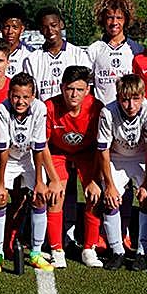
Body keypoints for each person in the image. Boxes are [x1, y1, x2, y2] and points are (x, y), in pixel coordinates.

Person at [0, 72, 56, 272]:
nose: (20, 101)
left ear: (33, 96)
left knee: (39, 198)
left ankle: (36, 252)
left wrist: (39, 181)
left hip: (29, 157)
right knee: (0, 198)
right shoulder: (2, 108)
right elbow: (2, 149)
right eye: (16, 96)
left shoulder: (40, 108)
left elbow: (39, 147)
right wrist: (0, 182)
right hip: (7, 158)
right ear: (10, 94)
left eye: (25, 97)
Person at [96, 74, 147, 271]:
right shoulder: (108, 112)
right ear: (118, 97)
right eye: (125, 99)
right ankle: (117, 251)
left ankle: (142, 251)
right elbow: (103, 151)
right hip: (117, 157)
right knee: (111, 199)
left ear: (143, 96)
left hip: (141, 157)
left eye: (135, 98)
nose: (130, 105)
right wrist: (110, 186)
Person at [44, 66, 104, 268]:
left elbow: (100, 146)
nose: (74, 94)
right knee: (56, 194)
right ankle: (56, 248)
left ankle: (89, 248)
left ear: (87, 90)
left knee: (94, 195)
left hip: (86, 153)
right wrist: (53, 179)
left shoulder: (97, 108)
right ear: (62, 87)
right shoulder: (50, 107)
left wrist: (95, 180)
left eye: (79, 89)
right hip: (58, 151)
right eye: (69, 88)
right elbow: (42, 144)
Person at [24, 6, 90, 102]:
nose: (50, 31)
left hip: (72, 114)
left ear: (61, 24)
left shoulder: (78, 54)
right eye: (45, 27)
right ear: (40, 30)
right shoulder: (32, 59)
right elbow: (30, 93)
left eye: (53, 25)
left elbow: (86, 89)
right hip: (46, 114)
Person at [86, 0, 143, 105]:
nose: (114, 22)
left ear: (126, 20)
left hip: (128, 111)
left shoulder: (136, 49)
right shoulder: (94, 49)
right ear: (103, 20)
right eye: (109, 17)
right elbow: (86, 85)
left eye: (119, 18)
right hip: (102, 112)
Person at [0, 1, 33, 79]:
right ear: (1, 28)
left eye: (15, 27)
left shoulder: (30, 53)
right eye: (6, 27)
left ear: (22, 29)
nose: (10, 32)